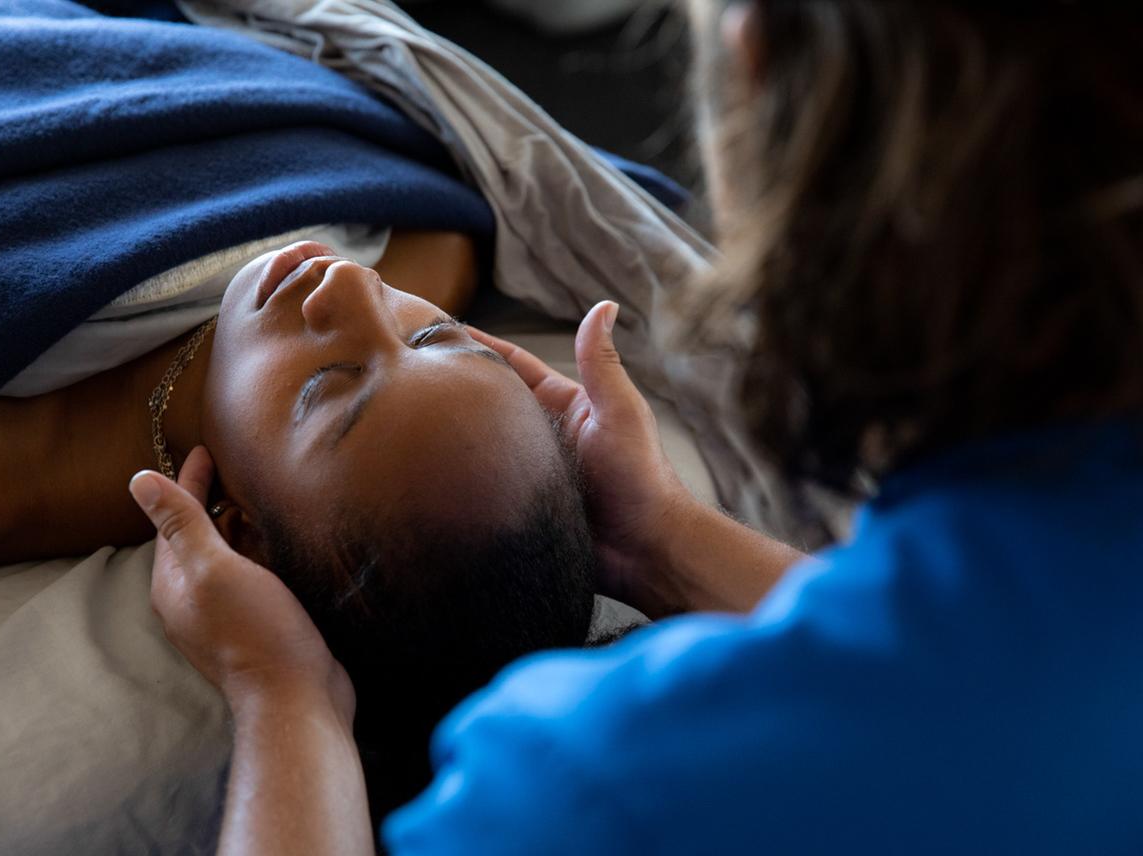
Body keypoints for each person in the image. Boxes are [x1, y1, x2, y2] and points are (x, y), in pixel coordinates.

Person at [129, 0, 1143, 853]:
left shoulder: (587, 788)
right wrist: (654, 535)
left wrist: (281, 699)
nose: (351, 284)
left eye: (440, 335)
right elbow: (954, 688)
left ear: (760, 72)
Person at [0, 231, 599, 817]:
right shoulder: (430, 260)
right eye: (433, 336)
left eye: (325, 388)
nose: (349, 284)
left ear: (240, 538)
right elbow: (450, 235)